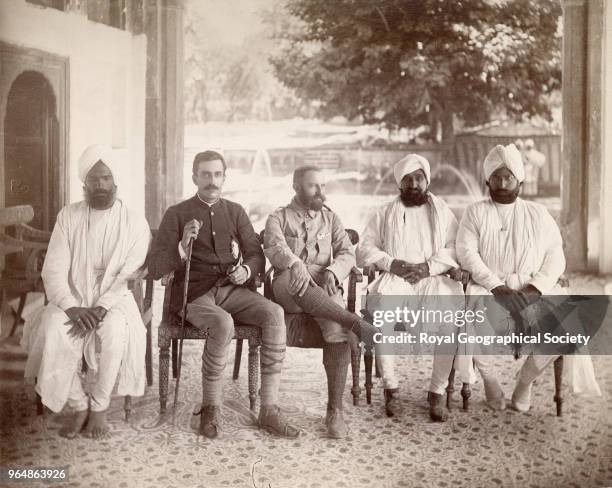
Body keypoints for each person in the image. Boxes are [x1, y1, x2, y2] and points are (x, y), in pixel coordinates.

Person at [147, 150, 299, 439]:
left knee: (274, 314)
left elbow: (256, 255)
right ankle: (211, 408)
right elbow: (156, 267)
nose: (212, 181)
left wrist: (246, 269)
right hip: (193, 294)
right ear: (195, 177)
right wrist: (182, 246)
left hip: (232, 288)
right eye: (205, 174)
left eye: (217, 175)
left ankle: (269, 409)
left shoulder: (235, 211)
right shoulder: (176, 214)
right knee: (222, 323)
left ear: (224, 177)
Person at [22, 145, 151, 439]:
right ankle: (78, 404)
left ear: (115, 181)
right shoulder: (68, 216)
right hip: (74, 296)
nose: (101, 185)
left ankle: (99, 408)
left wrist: (102, 306)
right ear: (85, 183)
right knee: (54, 326)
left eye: (106, 178)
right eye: (94, 179)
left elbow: (128, 273)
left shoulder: (134, 221)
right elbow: (53, 270)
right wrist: (71, 306)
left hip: (116, 299)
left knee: (117, 331)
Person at [264, 165, 376, 438]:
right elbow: (276, 249)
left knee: (338, 331)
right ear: (296, 187)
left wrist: (333, 271)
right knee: (297, 279)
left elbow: (348, 254)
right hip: (288, 286)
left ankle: (334, 411)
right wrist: (295, 263)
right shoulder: (278, 218)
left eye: (323, 186)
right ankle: (356, 322)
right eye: (314, 186)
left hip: (324, 285)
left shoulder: (331, 219)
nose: (320, 192)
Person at [356, 154, 469, 422]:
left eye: (419, 178)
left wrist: (429, 267)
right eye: (408, 179)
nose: (414, 184)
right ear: (400, 184)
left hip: (433, 276)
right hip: (396, 277)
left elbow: (456, 247)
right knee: (381, 308)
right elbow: (364, 250)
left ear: (427, 181)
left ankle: (437, 391)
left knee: (450, 317)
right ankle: (391, 388)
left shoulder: (442, 211)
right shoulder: (384, 213)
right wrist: (391, 263)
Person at [456, 143, 567, 411]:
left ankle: (524, 382)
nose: (503, 183)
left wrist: (535, 288)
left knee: (567, 327)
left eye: (508, 177)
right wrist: (497, 287)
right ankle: (491, 381)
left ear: (520, 181)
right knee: (472, 326)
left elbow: (556, 255)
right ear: (487, 180)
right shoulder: (475, 212)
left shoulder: (538, 213)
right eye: (497, 177)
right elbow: (466, 253)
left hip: (532, 287)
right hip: (488, 287)